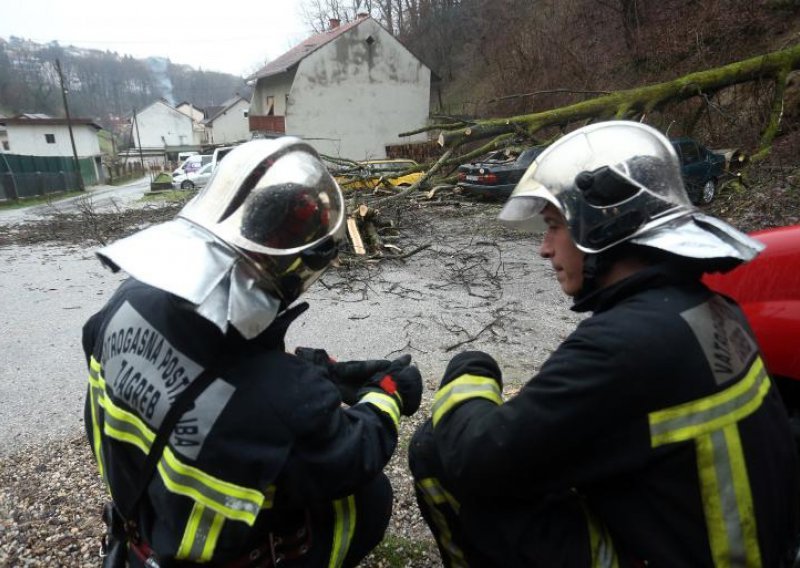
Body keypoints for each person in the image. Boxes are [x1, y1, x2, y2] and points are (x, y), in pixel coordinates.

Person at [408, 120, 800, 567]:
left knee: (434, 449)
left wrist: (470, 370)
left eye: (554, 225)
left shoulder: (623, 346)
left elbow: (478, 459)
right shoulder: (709, 308)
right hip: (738, 546)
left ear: (599, 230)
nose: (544, 248)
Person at [82, 137, 423, 567]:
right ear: (298, 262)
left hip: (137, 527)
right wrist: (387, 393)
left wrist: (316, 373)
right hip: (215, 555)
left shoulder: (127, 300)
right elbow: (353, 454)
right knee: (370, 499)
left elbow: (208, 372)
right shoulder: (282, 399)